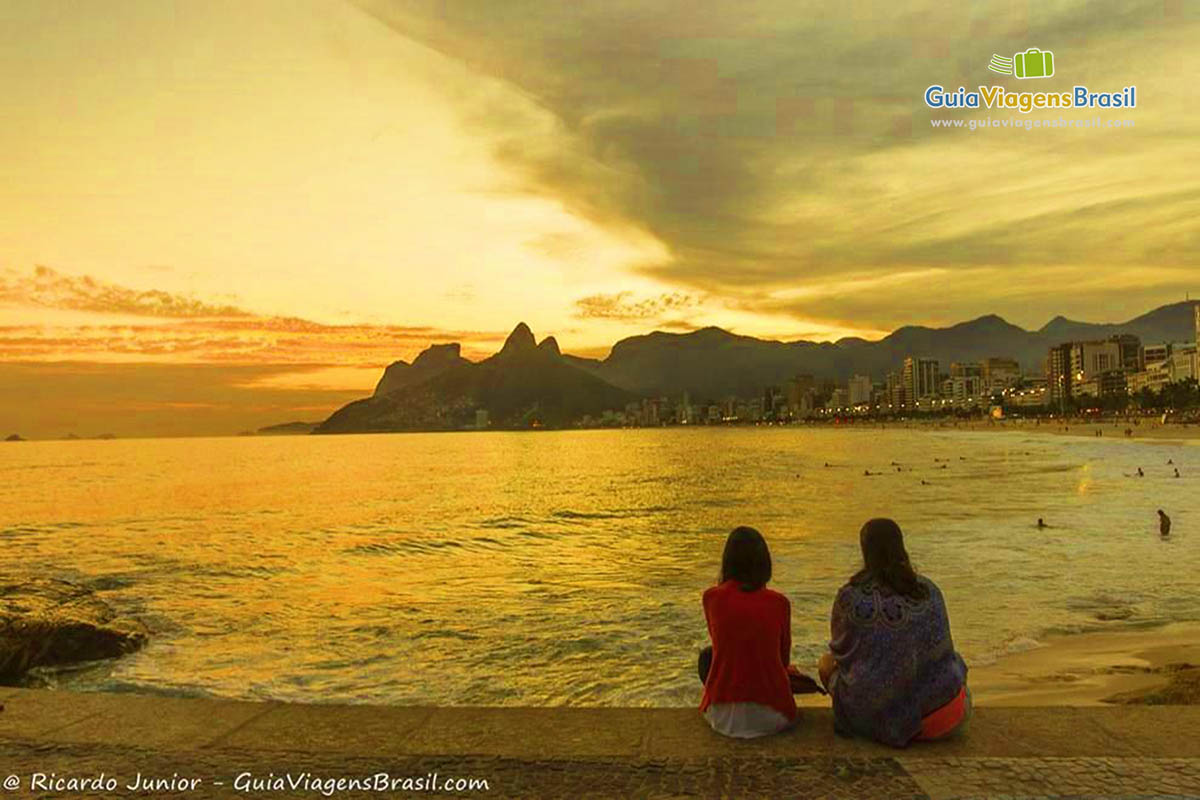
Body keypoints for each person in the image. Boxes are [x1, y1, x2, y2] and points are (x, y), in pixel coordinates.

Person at [818, 518, 969, 747]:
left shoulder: (850, 596)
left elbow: (841, 650)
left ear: (865, 551)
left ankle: (885, 720)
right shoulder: (929, 590)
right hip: (945, 716)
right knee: (954, 662)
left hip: (878, 718)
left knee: (826, 663)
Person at [698, 526, 801, 738]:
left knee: (708, 655)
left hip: (721, 716)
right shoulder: (779, 603)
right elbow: (782, 659)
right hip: (775, 716)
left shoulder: (712, 598)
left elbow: (724, 648)